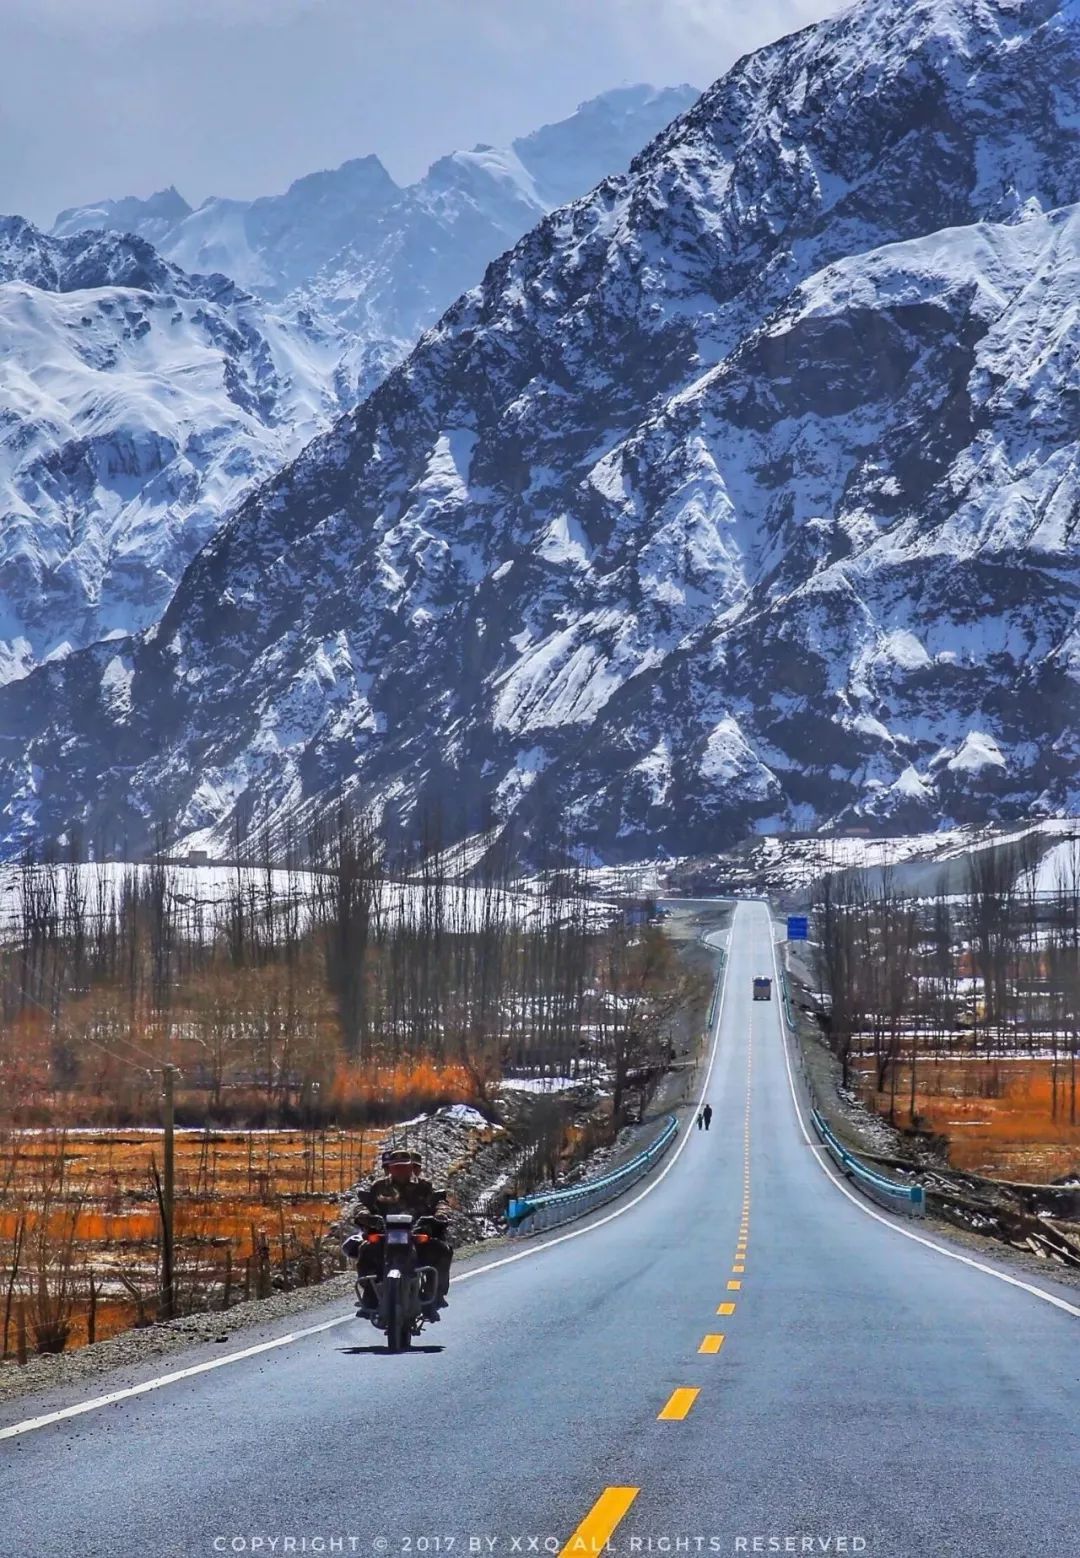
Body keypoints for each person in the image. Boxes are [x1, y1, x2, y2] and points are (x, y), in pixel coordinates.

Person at [344, 1149, 453, 1319]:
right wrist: (364, 1214)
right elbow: (362, 1204)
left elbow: (440, 1203)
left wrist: (439, 1215)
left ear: (411, 1167)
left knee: (442, 1250)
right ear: (390, 1168)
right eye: (396, 1167)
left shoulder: (424, 1186)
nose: (400, 1170)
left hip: (416, 1234)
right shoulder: (379, 1186)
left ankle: (433, 1296)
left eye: (404, 1166)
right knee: (365, 1250)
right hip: (385, 1234)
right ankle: (370, 1296)